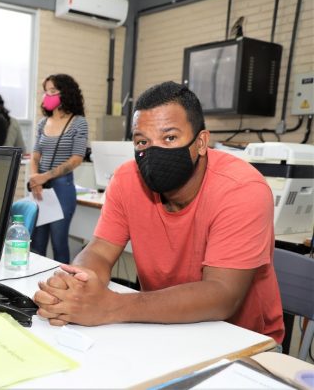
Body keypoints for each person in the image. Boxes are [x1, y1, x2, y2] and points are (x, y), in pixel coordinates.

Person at [34, 81, 285, 344]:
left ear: (201, 142)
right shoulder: (127, 179)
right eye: (142, 141)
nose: (153, 152)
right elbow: (99, 251)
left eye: (170, 138)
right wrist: (77, 284)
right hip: (162, 325)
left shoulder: (242, 189)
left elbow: (222, 295)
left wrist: (111, 306)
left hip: (243, 344)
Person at [29, 74, 88, 264]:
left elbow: (76, 159)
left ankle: (62, 288)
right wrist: (35, 178)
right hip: (40, 187)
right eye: (46, 91)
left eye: (53, 91)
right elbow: (35, 155)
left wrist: (44, 177)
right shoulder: (42, 123)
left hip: (62, 188)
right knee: (36, 243)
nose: (48, 95)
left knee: (59, 243)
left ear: (66, 93)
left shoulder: (78, 122)